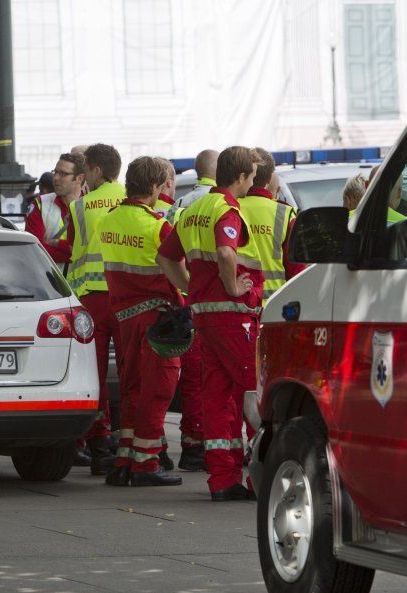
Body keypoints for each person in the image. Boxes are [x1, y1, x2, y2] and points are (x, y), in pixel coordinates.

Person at [157, 146, 263, 502]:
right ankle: (259, 478)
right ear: (241, 177)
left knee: (217, 399)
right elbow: (225, 252)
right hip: (234, 318)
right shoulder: (227, 209)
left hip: (204, 316)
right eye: (250, 176)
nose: (251, 182)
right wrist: (233, 286)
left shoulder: (193, 209)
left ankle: (221, 479)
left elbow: (165, 257)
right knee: (254, 394)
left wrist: (191, 288)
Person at [97, 156, 184, 487]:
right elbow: (175, 269)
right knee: (160, 388)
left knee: (133, 387)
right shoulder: (157, 225)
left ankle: (125, 457)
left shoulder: (109, 220)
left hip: (124, 316)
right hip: (157, 318)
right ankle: (146, 463)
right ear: (155, 186)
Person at [65, 143, 126, 475]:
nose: (82, 176)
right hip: (127, 295)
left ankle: (99, 446)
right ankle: (135, 443)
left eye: (85, 170)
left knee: (96, 374)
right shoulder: (135, 198)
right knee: (132, 372)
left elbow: (70, 250)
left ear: (97, 171)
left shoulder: (79, 207)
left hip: (91, 298)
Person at [241, 147, 306, 305]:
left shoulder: (228, 207)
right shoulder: (284, 214)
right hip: (274, 307)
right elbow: (297, 273)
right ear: (270, 178)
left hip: (238, 307)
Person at [25, 153, 84, 265]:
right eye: (55, 172)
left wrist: (56, 243)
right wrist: (75, 254)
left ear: (79, 178)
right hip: (50, 281)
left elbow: (93, 249)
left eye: (63, 174)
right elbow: (35, 249)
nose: (55, 178)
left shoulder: (92, 206)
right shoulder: (40, 204)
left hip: (82, 281)